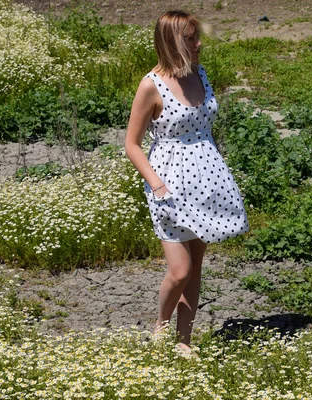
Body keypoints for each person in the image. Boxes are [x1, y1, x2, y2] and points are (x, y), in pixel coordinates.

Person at [125, 10, 249, 355]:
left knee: (195, 269)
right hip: (169, 184)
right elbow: (131, 144)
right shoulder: (151, 84)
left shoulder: (200, 73)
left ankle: (184, 342)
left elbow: (205, 130)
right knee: (179, 270)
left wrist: (221, 173)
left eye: (198, 37)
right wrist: (157, 185)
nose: (199, 44)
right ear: (171, 42)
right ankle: (161, 326)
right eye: (191, 38)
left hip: (208, 180)